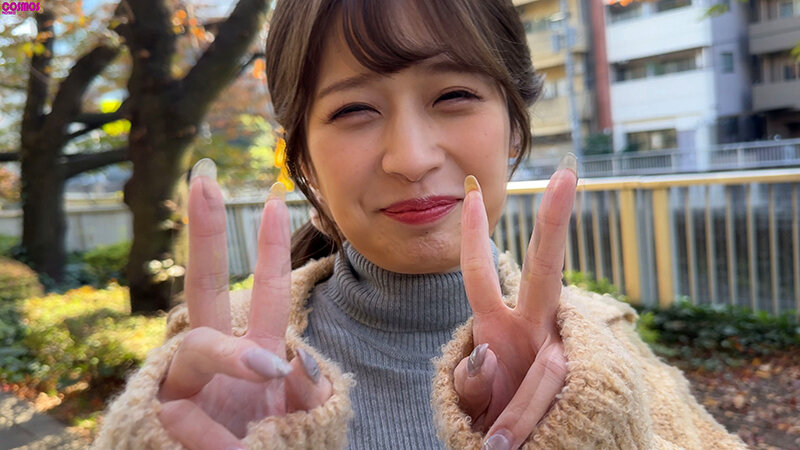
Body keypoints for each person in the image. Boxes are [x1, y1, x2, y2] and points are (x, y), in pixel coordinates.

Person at [94, 0, 747, 449]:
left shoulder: (604, 351)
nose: (409, 158)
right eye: (353, 109)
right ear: (304, 160)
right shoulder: (210, 365)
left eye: (453, 95)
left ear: (513, 128)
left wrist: (595, 432)